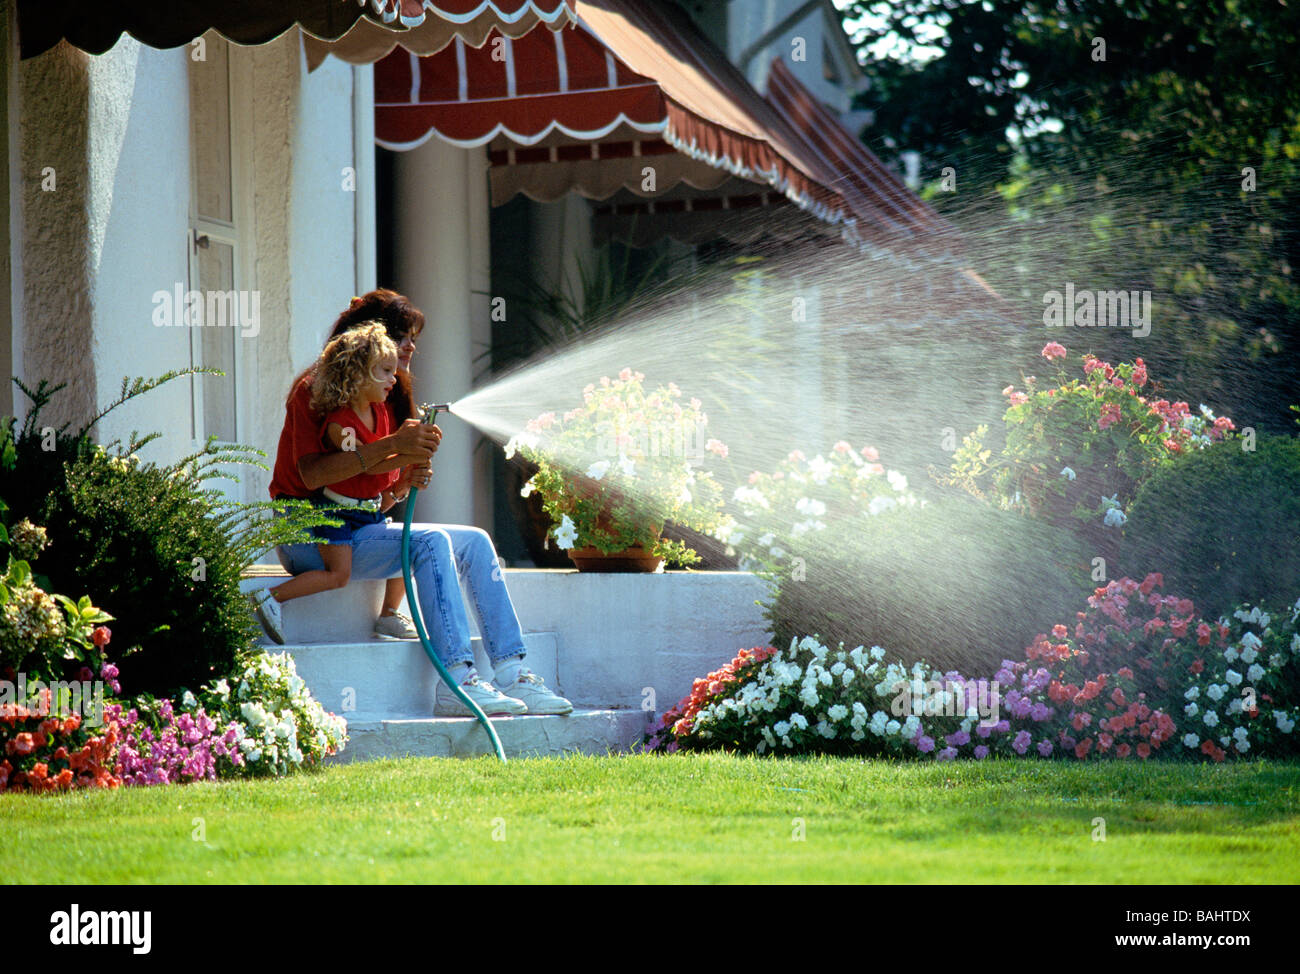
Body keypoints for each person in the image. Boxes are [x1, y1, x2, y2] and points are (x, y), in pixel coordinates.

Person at [254, 289, 573, 718]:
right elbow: (313, 475)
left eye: (411, 337)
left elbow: (379, 494)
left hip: (363, 525)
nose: (410, 347)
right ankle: (457, 682)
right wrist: (392, 446)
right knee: (430, 544)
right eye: (401, 335)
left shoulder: (388, 394)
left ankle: (514, 672)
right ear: (368, 338)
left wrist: (405, 480)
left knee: (475, 540)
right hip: (310, 532)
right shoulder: (315, 392)